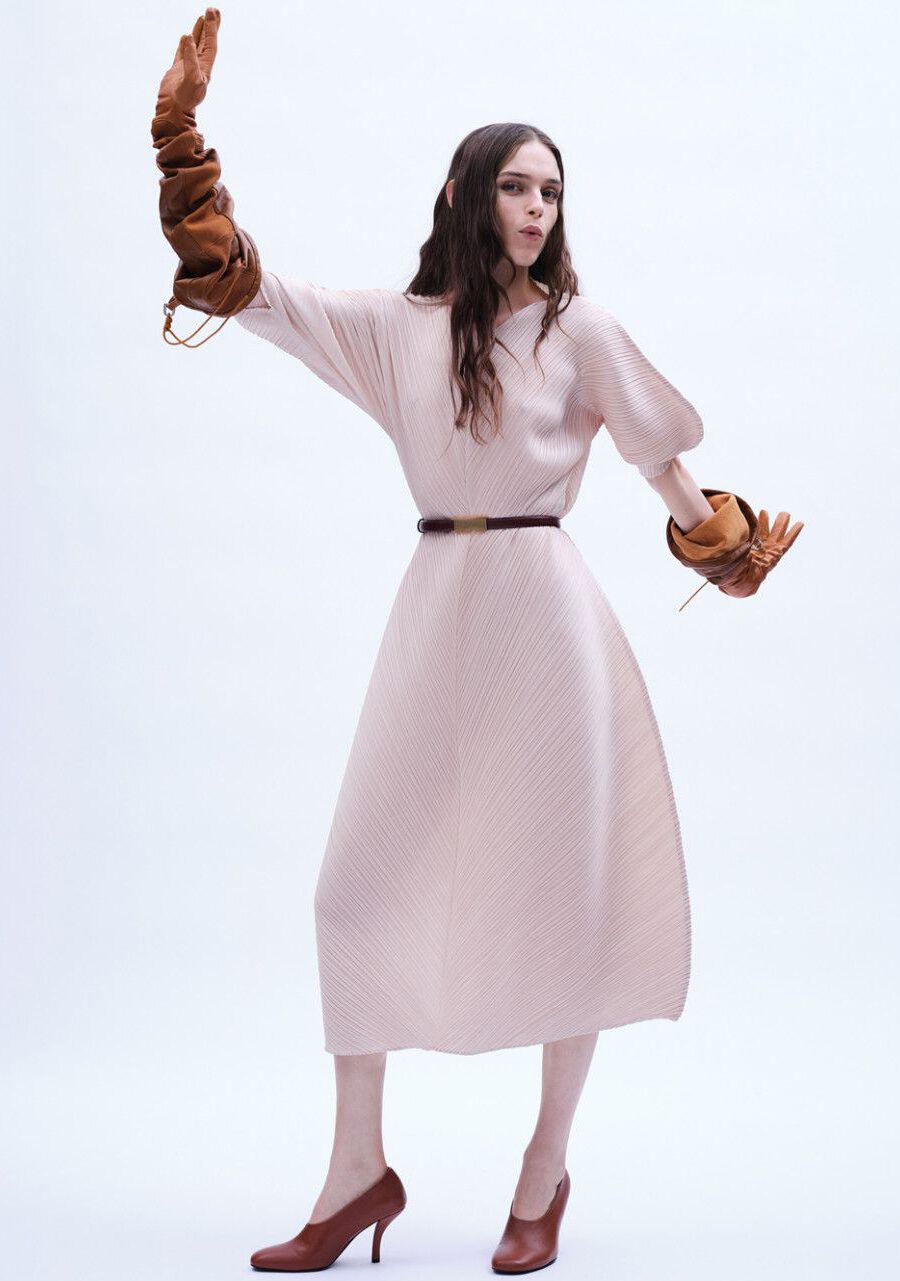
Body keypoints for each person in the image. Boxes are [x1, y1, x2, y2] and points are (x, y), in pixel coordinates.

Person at [151, 10, 803, 1275]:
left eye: (552, 190)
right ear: (462, 193)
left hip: (546, 616)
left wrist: (723, 550)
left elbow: (666, 469)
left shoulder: (579, 331)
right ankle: (357, 1174)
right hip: (438, 603)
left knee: (566, 891)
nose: (537, 208)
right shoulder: (396, 328)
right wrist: (178, 135)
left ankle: (543, 1172)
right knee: (354, 889)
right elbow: (247, 286)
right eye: (516, 185)